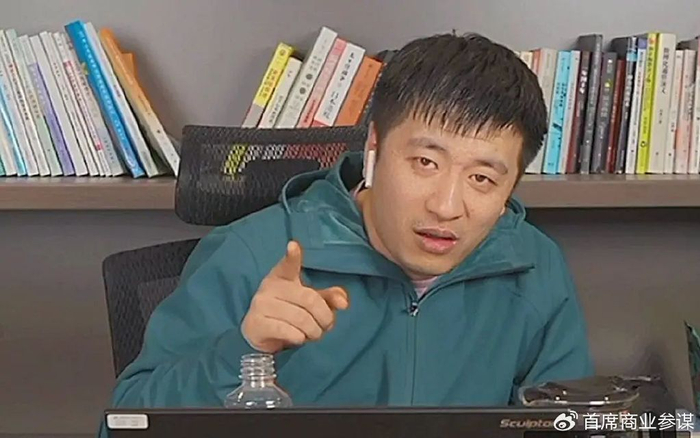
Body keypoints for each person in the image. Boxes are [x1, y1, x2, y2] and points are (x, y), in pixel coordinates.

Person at [107, 32, 594, 415]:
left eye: (482, 178)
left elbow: (569, 420)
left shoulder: (535, 266)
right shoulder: (252, 255)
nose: (447, 206)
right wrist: (244, 349)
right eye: (425, 163)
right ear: (375, 147)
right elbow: (125, 423)